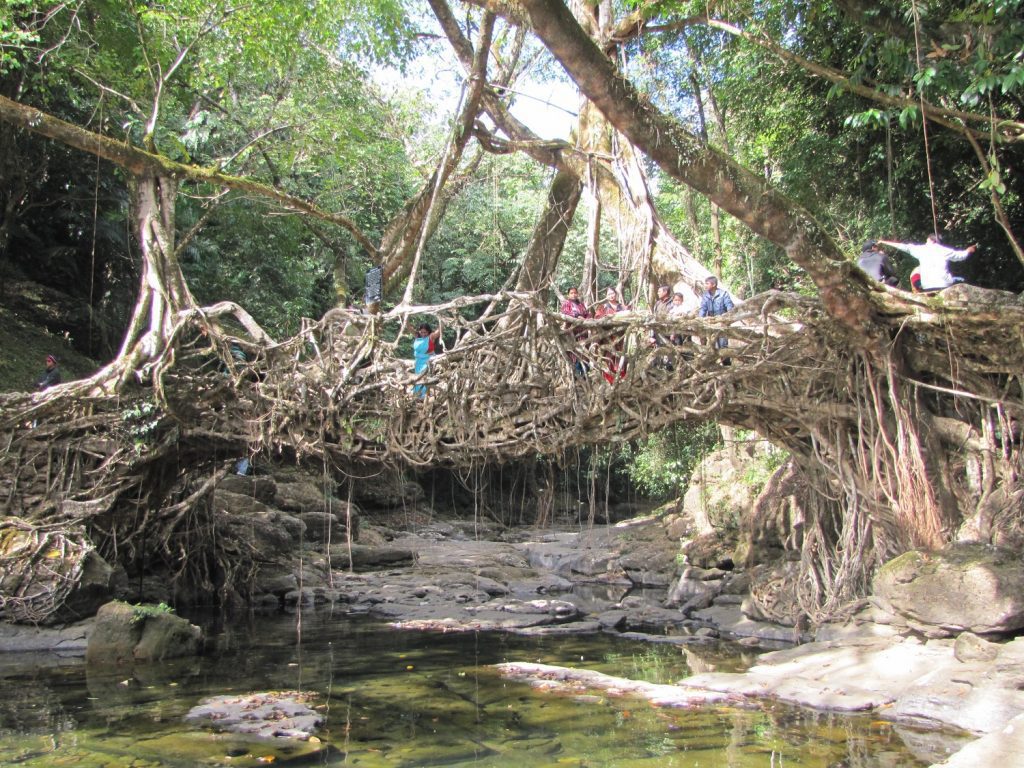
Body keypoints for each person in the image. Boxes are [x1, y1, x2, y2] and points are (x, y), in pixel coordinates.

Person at [878, 234, 976, 292]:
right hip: (944, 284)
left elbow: (904, 247)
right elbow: (960, 256)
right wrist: (968, 250)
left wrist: (884, 242)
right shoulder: (944, 250)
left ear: (930, 240)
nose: (926, 241)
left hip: (928, 286)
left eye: (927, 240)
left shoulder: (921, 249)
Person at [594, 286, 628, 383]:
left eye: (612, 293)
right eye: (609, 294)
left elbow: (628, 317)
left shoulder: (622, 306)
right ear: (606, 296)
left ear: (616, 294)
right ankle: (608, 380)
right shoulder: (602, 307)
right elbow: (597, 318)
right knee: (608, 357)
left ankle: (621, 380)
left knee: (620, 357)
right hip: (607, 337)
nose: (611, 296)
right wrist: (606, 317)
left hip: (620, 337)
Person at [560, 286, 591, 377]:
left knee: (584, 352)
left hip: (583, 333)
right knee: (575, 353)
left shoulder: (581, 304)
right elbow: (565, 313)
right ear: (568, 295)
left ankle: (585, 375)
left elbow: (587, 314)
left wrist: (587, 319)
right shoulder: (567, 304)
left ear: (577, 294)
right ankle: (576, 376)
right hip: (573, 333)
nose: (573, 295)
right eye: (571, 293)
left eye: (575, 293)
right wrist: (577, 316)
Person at [699, 276, 734, 355]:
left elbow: (730, 307)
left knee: (723, 346)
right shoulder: (706, 296)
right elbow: (703, 309)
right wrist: (700, 320)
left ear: (714, 284)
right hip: (710, 323)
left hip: (722, 324)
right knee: (711, 347)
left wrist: (726, 319)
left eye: (707, 284)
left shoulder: (723, 294)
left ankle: (726, 366)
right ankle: (711, 365)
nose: (705, 285)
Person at [412, 322, 441, 398]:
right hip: (418, 362)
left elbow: (439, 330)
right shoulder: (417, 337)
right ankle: (417, 396)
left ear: (428, 332)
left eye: (425, 332)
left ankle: (424, 397)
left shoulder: (431, 337)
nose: (423, 334)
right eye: (421, 332)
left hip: (427, 361)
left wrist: (441, 320)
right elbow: (409, 328)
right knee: (417, 378)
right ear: (419, 331)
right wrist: (406, 319)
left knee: (425, 378)